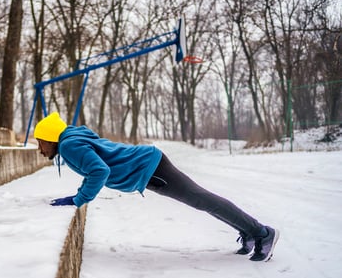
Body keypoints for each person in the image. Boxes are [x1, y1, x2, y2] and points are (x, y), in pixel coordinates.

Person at [33, 112, 279, 262]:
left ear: (50, 138)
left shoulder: (68, 146)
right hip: (148, 165)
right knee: (202, 201)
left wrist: (78, 199)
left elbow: (99, 170)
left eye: (40, 142)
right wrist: (78, 195)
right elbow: (99, 165)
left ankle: (262, 233)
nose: (39, 149)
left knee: (202, 199)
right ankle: (248, 232)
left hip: (151, 168)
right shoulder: (73, 139)